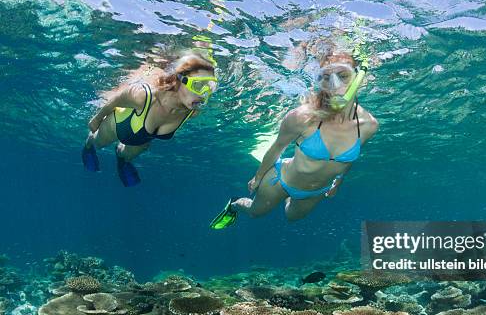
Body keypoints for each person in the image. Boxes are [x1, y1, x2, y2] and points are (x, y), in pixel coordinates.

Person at [210, 51, 378, 228]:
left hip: (317, 190)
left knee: (292, 217)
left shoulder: (369, 125)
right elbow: (277, 147)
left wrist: (338, 182)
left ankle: (289, 199)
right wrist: (258, 177)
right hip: (281, 181)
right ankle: (235, 205)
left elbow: (349, 160)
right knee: (254, 212)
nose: (335, 86)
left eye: (343, 76)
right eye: (327, 78)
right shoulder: (303, 117)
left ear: (358, 77)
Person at [81, 43, 217, 187]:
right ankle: (88, 147)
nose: (203, 94)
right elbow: (116, 100)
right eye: (198, 85)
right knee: (97, 143)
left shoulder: (192, 111)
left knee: (124, 155)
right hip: (120, 126)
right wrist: (96, 120)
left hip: (142, 140)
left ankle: (122, 162)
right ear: (178, 79)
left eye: (209, 87)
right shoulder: (144, 96)